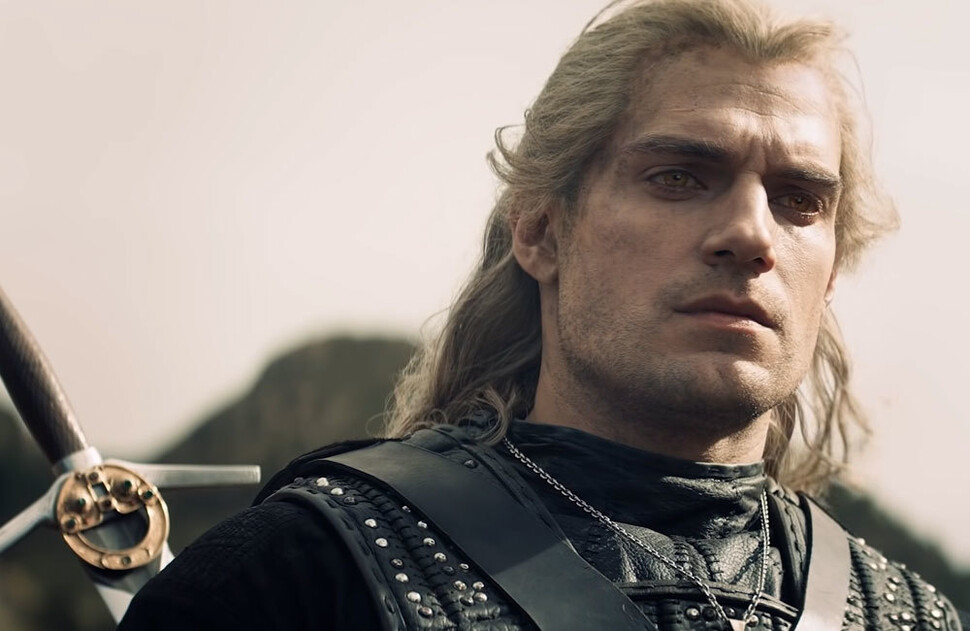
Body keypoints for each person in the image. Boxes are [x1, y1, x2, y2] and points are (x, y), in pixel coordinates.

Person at [119, 1, 966, 629]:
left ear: (831, 272)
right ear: (541, 230)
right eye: (679, 176)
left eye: (799, 199)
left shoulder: (911, 617)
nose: (751, 234)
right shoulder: (299, 576)